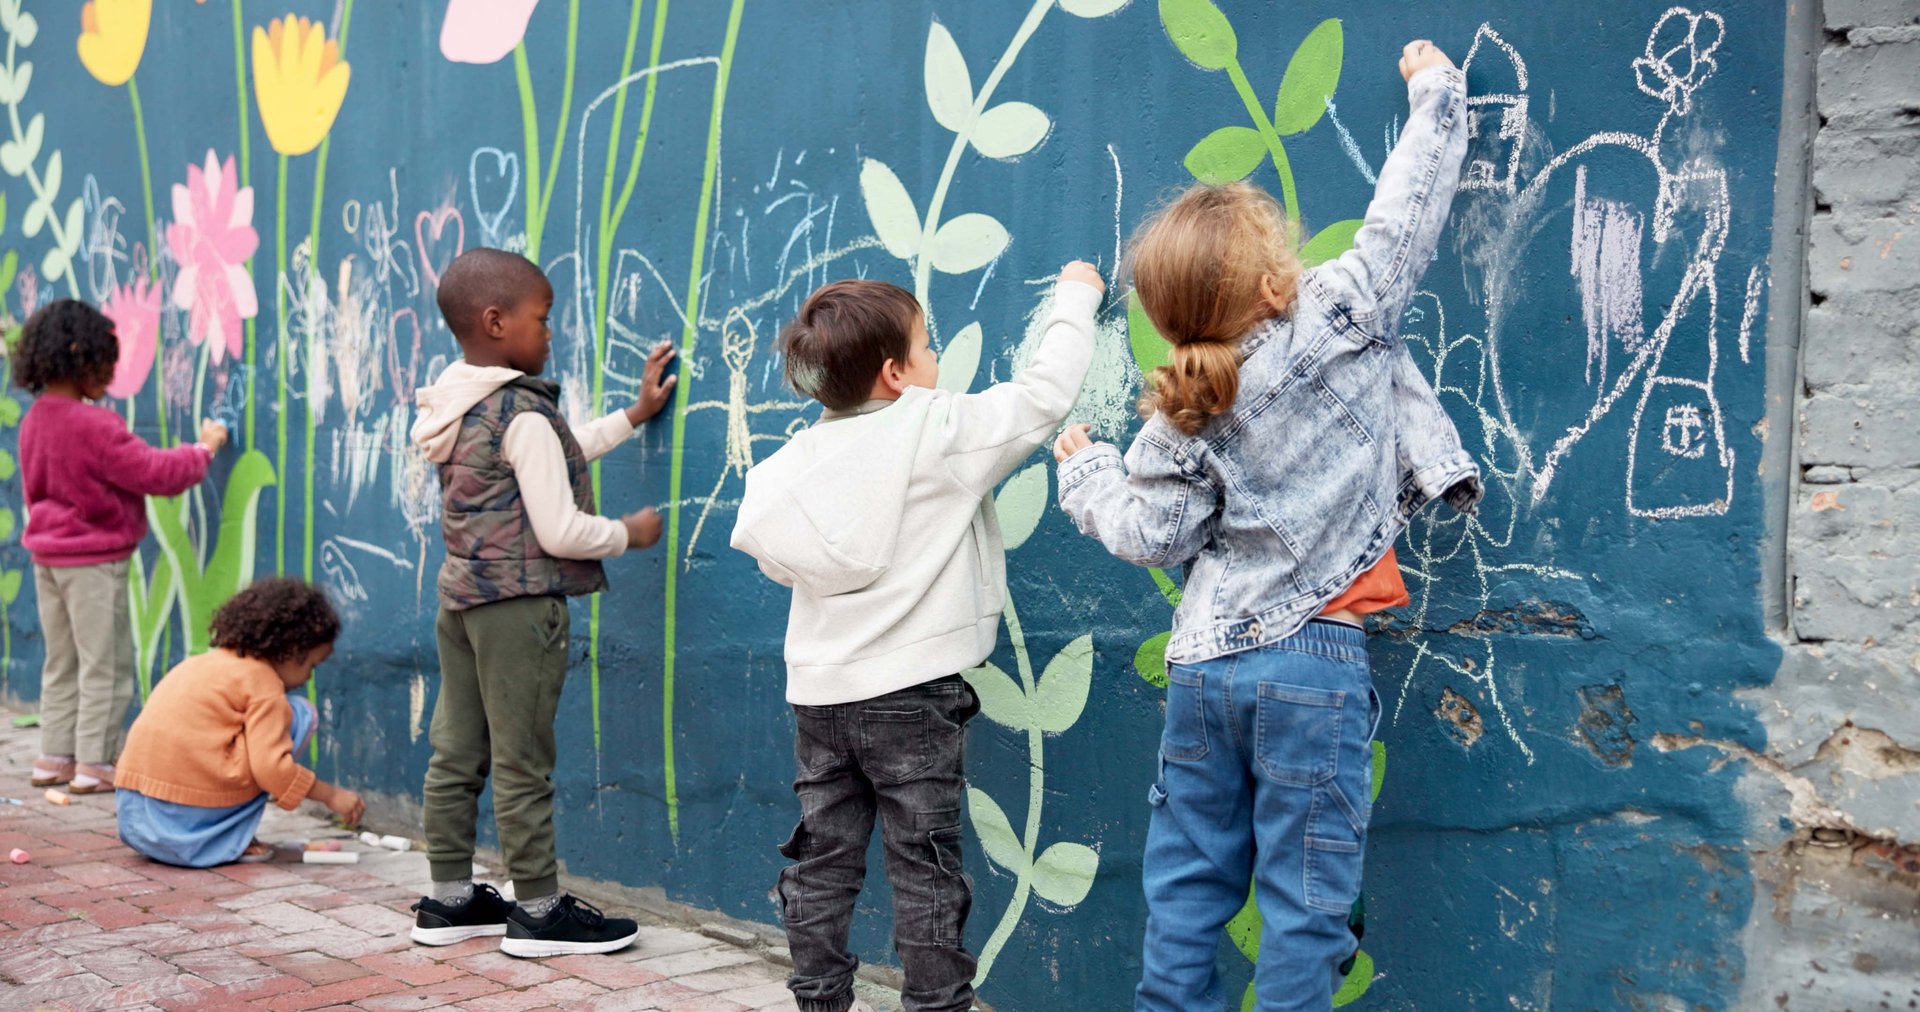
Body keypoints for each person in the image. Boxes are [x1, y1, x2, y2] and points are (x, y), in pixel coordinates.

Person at [1051, 41, 1478, 1010]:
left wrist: (1085, 469)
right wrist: (1436, 92)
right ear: (1280, 282)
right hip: (1312, 665)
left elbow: (1149, 535)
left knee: (1189, 883)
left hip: (1205, 666)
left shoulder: (1178, 414)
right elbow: (1409, 207)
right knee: (1305, 899)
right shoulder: (1343, 311)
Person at [731, 262, 1104, 1012]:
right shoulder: (935, 430)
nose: (938, 362)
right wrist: (1076, 295)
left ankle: (819, 1000)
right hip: (913, 700)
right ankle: (937, 1005)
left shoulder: (788, 470)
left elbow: (780, 563)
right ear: (897, 374)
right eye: (928, 347)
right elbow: (1042, 397)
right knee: (925, 864)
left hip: (821, 698)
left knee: (822, 861)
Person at [406, 248, 676, 957]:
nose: (551, 332)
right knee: (524, 759)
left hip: (461, 601)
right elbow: (558, 527)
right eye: (542, 319)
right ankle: (539, 911)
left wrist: (631, 415)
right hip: (519, 607)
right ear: (497, 323)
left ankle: (448, 900)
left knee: (456, 750)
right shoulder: (521, 410)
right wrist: (627, 534)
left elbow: (552, 457)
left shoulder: (459, 404)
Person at [13, 298, 227, 795]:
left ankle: (54, 756)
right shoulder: (96, 425)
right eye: (105, 364)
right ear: (81, 359)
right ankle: (95, 762)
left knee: (62, 661)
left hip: (48, 559)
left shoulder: (35, 420)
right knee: (105, 664)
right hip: (93, 563)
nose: (111, 376)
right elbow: (156, 473)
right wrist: (203, 449)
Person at [114, 578, 362, 866]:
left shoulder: (202, 662)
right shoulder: (263, 681)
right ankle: (226, 837)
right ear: (292, 651)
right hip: (186, 831)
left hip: (137, 821)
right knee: (300, 714)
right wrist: (331, 795)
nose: (309, 676)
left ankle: (219, 832)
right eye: (311, 665)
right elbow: (271, 769)